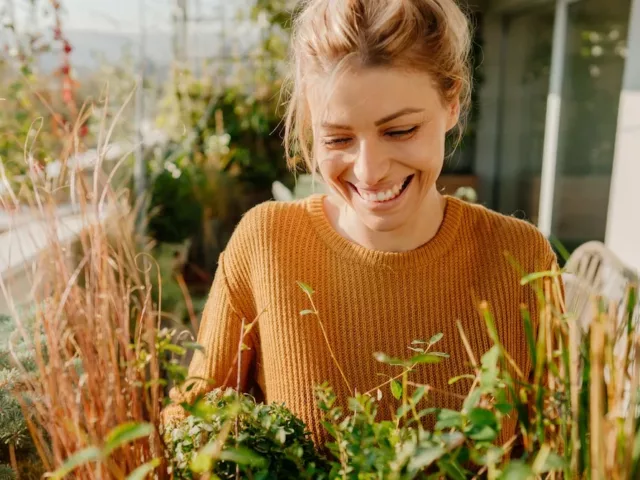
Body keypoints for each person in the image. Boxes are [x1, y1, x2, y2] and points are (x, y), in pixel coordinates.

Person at [163, 0, 558, 448]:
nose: (370, 171)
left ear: (452, 102)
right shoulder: (266, 244)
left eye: (400, 131)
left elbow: (562, 447)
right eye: (338, 138)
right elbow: (191, 425)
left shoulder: (521, 259)